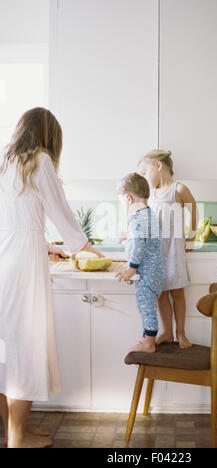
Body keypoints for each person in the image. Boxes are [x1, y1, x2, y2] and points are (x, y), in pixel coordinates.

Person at [0, 107, 103, 448]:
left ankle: (16, 431)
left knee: (5, 351)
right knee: (24, 351)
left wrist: (43, 245)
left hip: (5, 257)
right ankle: (17, 439)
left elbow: (14, 218)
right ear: (49, 136)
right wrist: (85, 249)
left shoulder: (4, 159)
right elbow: (62, 214)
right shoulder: (40, 161)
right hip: (23, 267)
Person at [138, 149, 198, 349]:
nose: (145, 179)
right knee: (162, 291)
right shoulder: (151, 193)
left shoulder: (178, 189)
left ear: (158, 166)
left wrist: (193, 233)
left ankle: (181, 333)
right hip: (156, 249)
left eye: (145, 173)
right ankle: (167, 332)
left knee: (177, 291)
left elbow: (194, 206)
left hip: (174, 248)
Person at [116, 173, 164, 353]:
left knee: (146, 308)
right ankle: (147, 337)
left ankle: (149, 343)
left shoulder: (137, 218)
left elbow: (139, 244)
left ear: (128, 198)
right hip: (156, 270)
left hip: (146, 273)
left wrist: (131, 268)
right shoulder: (148, 213)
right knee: (147, 307)